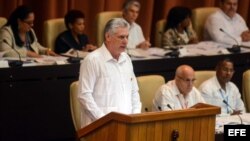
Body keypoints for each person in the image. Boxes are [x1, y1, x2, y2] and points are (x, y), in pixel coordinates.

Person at [78, 18, 141, 127]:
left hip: (127, 125)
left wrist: (135, 117)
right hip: (100, 126)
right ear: (108, 37)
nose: (125, 41)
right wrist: (105, 121)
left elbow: (134, 91)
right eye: (121, 37)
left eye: (127, 37)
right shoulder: (92, 60)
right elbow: (84, 96)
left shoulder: (126, 59)